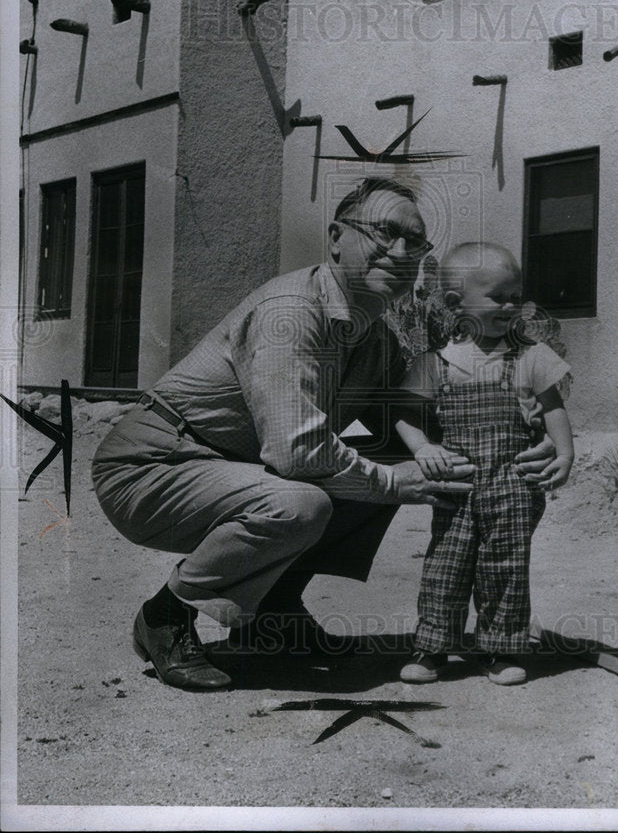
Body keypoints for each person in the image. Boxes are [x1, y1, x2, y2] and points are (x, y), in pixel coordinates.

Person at [92, 178, 557, 690]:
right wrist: (391, 483)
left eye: (416, 242)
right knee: (303, 502)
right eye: (384, 232)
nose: (400, 252)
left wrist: (528, 436)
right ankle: (165, 615)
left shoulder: (374, 334)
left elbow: (421, 418)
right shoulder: (290, 315)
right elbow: (296, 451)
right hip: (157, 464)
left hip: (236, 467)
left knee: (392, 448)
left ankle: (273, 609)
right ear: (336, 237)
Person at [395, 242, 574, 686]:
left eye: (517, 296)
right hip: (456, 483)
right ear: (457, 304)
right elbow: (404, 414)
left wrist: (565, 452)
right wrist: (422, 448)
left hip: (513, 482)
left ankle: (499, 648)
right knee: (445, 566)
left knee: (505, 566)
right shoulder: (435, 363)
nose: (512, 306)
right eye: (499, 297)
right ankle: (433, 648)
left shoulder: (531, 355)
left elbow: (553, 408)